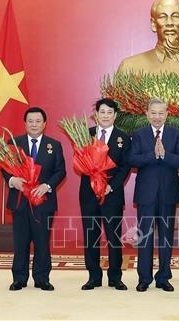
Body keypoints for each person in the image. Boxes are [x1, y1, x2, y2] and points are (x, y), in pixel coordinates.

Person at [3, 106, 66, 292]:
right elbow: (4, 167)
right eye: (30, 121)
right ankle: (19, 278)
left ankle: (42, 278)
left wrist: (46, 186)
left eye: (38, 121)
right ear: (25, 123)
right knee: (20, 241)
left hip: (43, 201)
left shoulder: (54, 145)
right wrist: (12, 180)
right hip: (20, 200)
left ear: (44, 124)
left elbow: (60, 171)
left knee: (42, 241)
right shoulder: (14, 143)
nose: (34, 124)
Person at [128, 98, 179, 292]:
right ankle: (144, 278)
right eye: (153, 113)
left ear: (167, 114)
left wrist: (165, 155)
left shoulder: (176, 134)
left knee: (166, 237)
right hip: (146, 194)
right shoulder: (139, 134)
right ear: (147, 114)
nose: (157, 117)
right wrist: (152, 155)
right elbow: (132, 159)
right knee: (144, 237)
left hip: (168, 194)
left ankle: (163, 277)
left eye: (161, 113)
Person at [79, 98, 131, 291]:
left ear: (115, 116)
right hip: (89, 193)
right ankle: (93, 276)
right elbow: (79, 160)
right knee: (91, 236)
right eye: (102, 112)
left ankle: (115, 277)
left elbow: (125, 167)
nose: (106, 116)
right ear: (96, 115)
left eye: (110, 112)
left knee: (113, 237)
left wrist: (111, 186)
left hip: (112, 194)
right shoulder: (86, 135)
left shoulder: (123, 137)